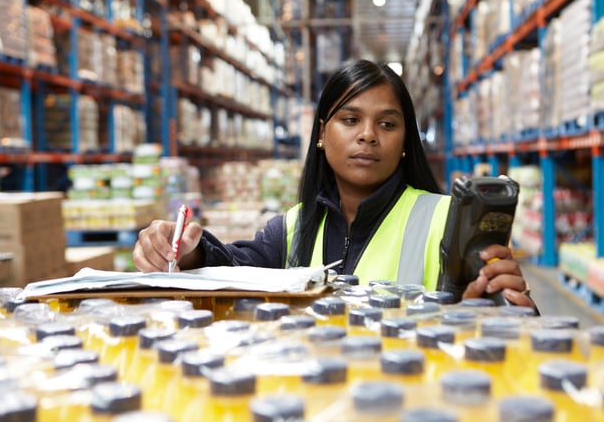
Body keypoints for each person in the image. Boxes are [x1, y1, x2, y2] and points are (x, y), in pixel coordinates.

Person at [133, 59, 535, 308]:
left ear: (403, 143)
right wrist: (185, 252)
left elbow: (497, 328)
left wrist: (509, 302)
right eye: (350, 120)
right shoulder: (291, 230)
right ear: (323, 134)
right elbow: (232, 271)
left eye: (387, 124)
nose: (368, 135)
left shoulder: (446, 219)